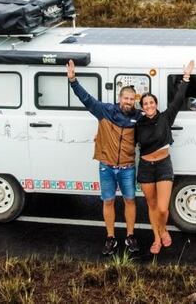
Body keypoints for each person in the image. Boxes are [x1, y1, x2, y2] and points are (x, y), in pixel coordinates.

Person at [66, 59, 141, 256]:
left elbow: (155, 122)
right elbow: (87, 99)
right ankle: (110, 237)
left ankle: (130, 236)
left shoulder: (138, 117)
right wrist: (73, 81)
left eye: (131, 99)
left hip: (127, 167)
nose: (128, 102)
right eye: (126, 98)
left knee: (130, 200)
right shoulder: (105, 110)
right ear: (120, 98)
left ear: (135, 100)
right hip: (106, 166)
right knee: (108, 201)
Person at [136, 60, 194, 254]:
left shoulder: (166, 117)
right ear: (142, 107)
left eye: (151, 102)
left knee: (162, 208)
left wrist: (185, 77)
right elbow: (122, 134)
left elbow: (178, 99)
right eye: (145, 104)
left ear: (156, 104)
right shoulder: (138, 124)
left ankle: (163, 228)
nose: (149, 105)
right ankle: (157, 237)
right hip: (145, 167)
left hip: (163, 165)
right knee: (151, 205)